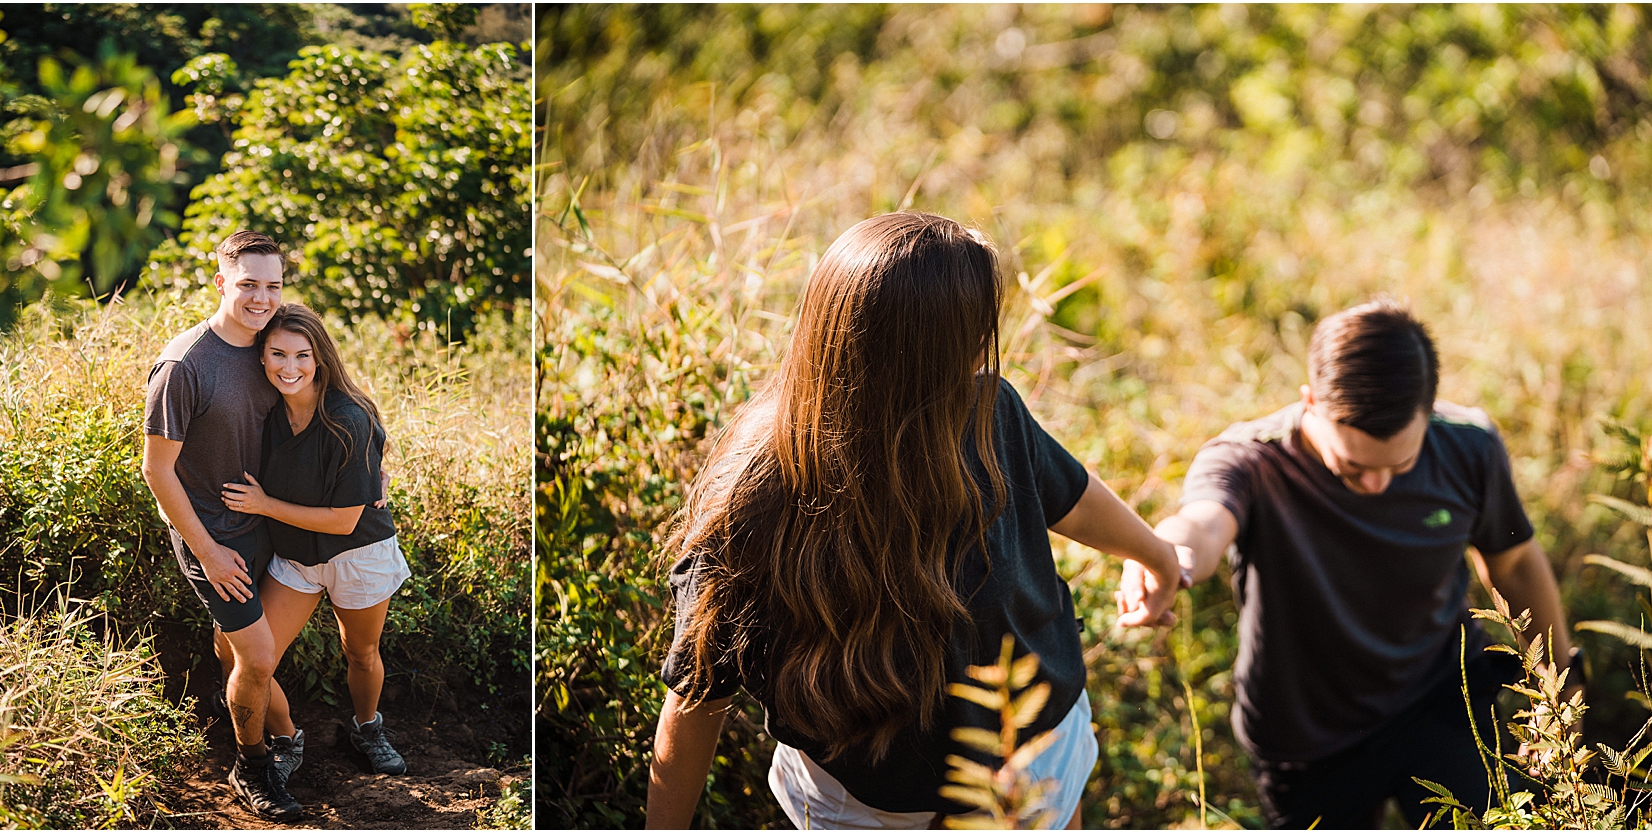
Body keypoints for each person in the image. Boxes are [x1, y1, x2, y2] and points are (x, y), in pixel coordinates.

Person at [646, 211, 1186, 830]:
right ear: (929, 354)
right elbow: (696, 695)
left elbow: (1071, 495)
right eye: (976, 328)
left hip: (1037, 757)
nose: (986, 345)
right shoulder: (759, 494)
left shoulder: (990, 411)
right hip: (869, 809)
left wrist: (1155, 555)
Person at [1118, 299, 1578, 829]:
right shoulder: (1251, 460)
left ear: (1428, 413)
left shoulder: (1469, 447)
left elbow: (1515, 560)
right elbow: (1200, 521)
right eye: (1354, 467)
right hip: (1306, 735)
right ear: (1310, 402)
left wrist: (1561, 688)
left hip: (1441, 703)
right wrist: (1163, 558)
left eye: (1398, 465)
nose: (1377, 485)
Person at [142, 231, 303, 821]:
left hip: (264, 522)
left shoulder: (277, 346)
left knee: (237, 646)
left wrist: (374, 468)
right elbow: (157, 471)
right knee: (259, 657)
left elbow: (334, 401)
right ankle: (253, 764)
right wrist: (207, 550)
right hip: (211, 535)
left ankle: (242, 707)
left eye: (273, 286)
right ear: (221, 284)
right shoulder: (185, 365)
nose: (262, 299)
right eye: (248, 285)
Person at [219, 303, 411, 780]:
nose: (290, 368)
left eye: (302, 355)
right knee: (238, 651)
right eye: (277, 354)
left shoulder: (348, 418)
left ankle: (367, 728)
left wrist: (263, 505)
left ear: (320, 357)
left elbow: (345, 522)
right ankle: (287, 736)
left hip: (358, 555)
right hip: (296, 558)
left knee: (360, 652)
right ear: (260, 357)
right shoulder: (263, 411)